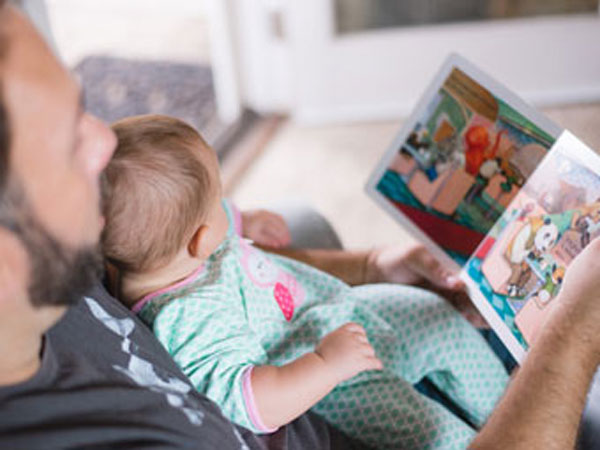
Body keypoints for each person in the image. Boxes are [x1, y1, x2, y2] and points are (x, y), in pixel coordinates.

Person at [0, 3, 598, 449]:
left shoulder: (79, 243)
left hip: (339, 322)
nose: (102, 138)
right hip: (362, 396)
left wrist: (369, 265)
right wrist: (576, 328)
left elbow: (227, 266)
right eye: (65, 141)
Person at [101, 114, 509, 449]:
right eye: (218, 200)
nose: (226, 205)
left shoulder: (169, 250)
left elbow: (202, 219)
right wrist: (325, 365)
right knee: (437, 437)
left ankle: (509, 411)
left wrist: (245, 218)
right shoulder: (188, 317)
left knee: (434, 313)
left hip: (338, 309)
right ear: (200, 239)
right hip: (339, 382)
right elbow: (251, 400)